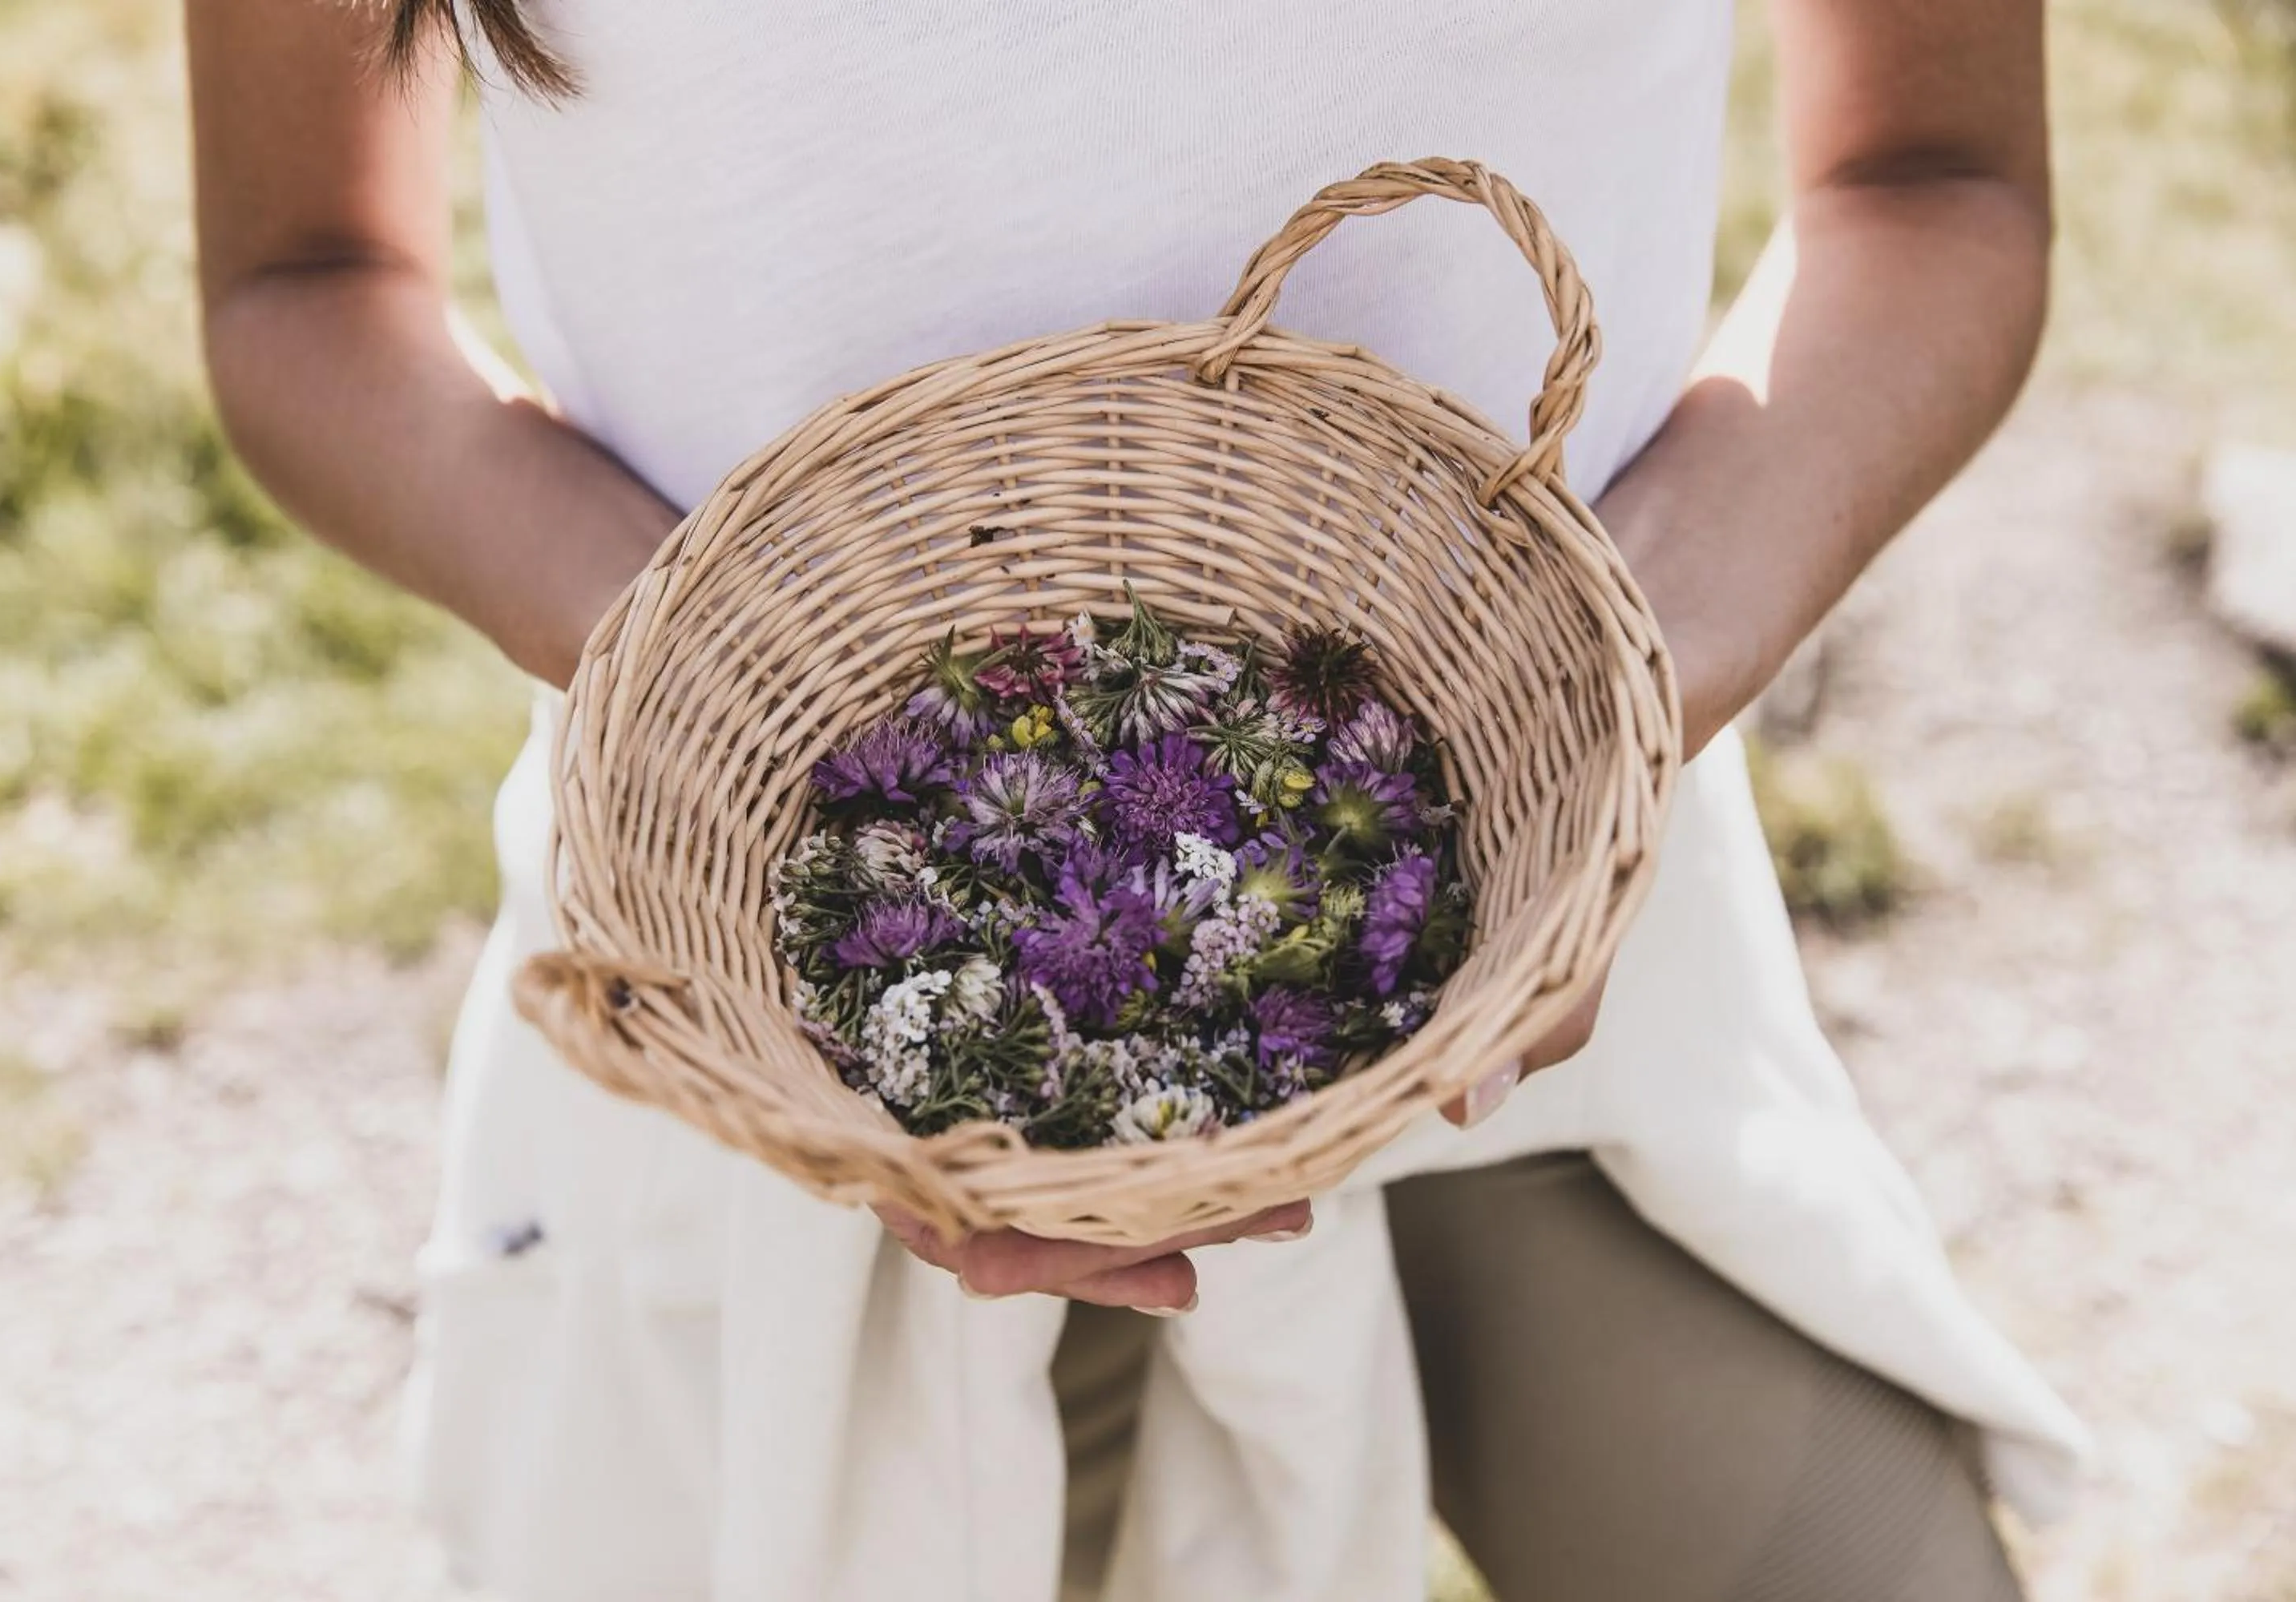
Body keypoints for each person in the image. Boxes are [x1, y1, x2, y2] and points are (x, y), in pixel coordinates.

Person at [187, 2, 2087, 1597]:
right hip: (786, 1037)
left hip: (1551, 980)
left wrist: (1586, 698)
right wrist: (779, 728)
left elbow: (1928, 185)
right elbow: (306, 282)